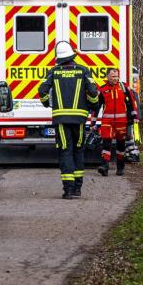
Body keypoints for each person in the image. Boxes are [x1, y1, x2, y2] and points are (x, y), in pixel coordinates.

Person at [38, 42, 99, 199]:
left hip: (61, 119)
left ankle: (68, 190)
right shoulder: (83, 70)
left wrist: (46, 103)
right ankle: (78, 188)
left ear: (59, 58)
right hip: (79, 119)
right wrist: (94, 105)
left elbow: (42, 90)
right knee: (78, 150)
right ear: (72, 55)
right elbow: (93, 92)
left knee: (65, 151)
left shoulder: (54, 72)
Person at [91, 68, 139, 177]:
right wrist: (93, 123)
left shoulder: (124, 87)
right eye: (113, 76)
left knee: (120, 146)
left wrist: (134, 115)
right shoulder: (103, 90)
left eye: (117, 76)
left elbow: (131, 102)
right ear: (107, 77)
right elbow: (96, 108)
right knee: (106, 143)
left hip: (122, 121)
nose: (115, 79)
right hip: (107, 122)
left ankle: (120, 167)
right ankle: (104, 167)